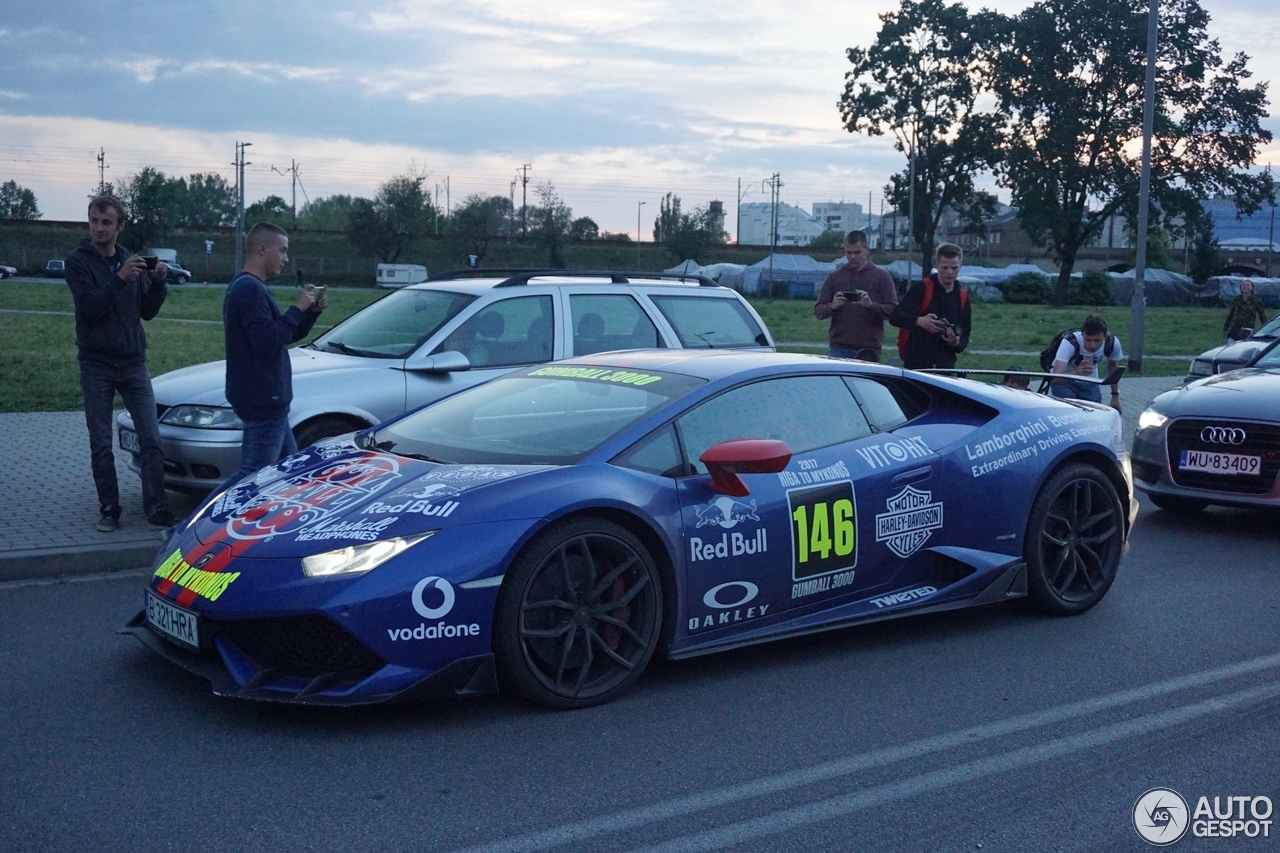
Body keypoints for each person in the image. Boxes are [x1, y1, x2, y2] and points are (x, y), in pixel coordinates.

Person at [64, 196, 175, 533]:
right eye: (94, 221)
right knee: (100, 442)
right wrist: (119, 278)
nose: (98, 228)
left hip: (132, 363)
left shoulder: (130, 260)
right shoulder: (78, 262)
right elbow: (91, 308)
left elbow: (147, 312)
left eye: (106, 222)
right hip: (96, 364)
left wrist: (158, 283)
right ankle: (109, 509)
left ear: (120, 226)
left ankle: (156, 507)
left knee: (151, 438)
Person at [220, 222, 326, 490]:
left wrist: (308, 313)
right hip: (264, 398)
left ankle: (286, 526)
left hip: (267, 398)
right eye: (282, 250)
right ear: (262, 249)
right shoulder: (250, 290)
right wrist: (296, 307)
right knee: (252, 476)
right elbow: (267, 342)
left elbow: (281, 336)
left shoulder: (246, 286)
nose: (286, 258)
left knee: (290, 470)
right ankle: (193, 527)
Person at [814, 230, 898, 361]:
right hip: (839, 348)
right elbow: (819, 311)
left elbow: (893, 311)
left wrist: (871, 306)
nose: (852, 257)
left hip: (869, 349)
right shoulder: (834, 277)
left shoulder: (882, 277)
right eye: (849, 252)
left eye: (857, 252)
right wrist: (832, 306)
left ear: (867, 250)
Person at [889, 243, 971, 370]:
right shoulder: (921, 288)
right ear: (937, 266)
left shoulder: (962, 296)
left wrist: (957, 342)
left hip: (946, 365)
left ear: (960, 266)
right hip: (917, 364)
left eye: (954, 268)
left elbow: (965, 332)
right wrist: (919, 321)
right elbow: (895, 317)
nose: (949, 272)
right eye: (945, 268)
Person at [1049, 314, 1123, 410]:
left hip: (1090, 382)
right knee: (1070, 413)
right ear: (1082, 334)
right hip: (1065, 383)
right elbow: (1055, 378)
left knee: (1094, 415)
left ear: (1105, 336)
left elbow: (1113, 369)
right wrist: (1076, 373)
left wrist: (1115, 396)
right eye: (1087, 340)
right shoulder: (1070, 342)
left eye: (1097, 340)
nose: (1092, 345)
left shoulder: (1112, 343)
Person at [1223, 278, 1267, 344]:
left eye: (1248, 285)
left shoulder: (1256, 301)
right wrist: (1225, 329)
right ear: (1241, 288)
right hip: (1234, 329)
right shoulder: (1236, 299)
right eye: (1243, 285)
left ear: (1252, 288)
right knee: (1231, 348)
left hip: (1248, 330)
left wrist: (1265, 330)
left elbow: (1262, 316)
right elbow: (1230, 315)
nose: (1245, 287)